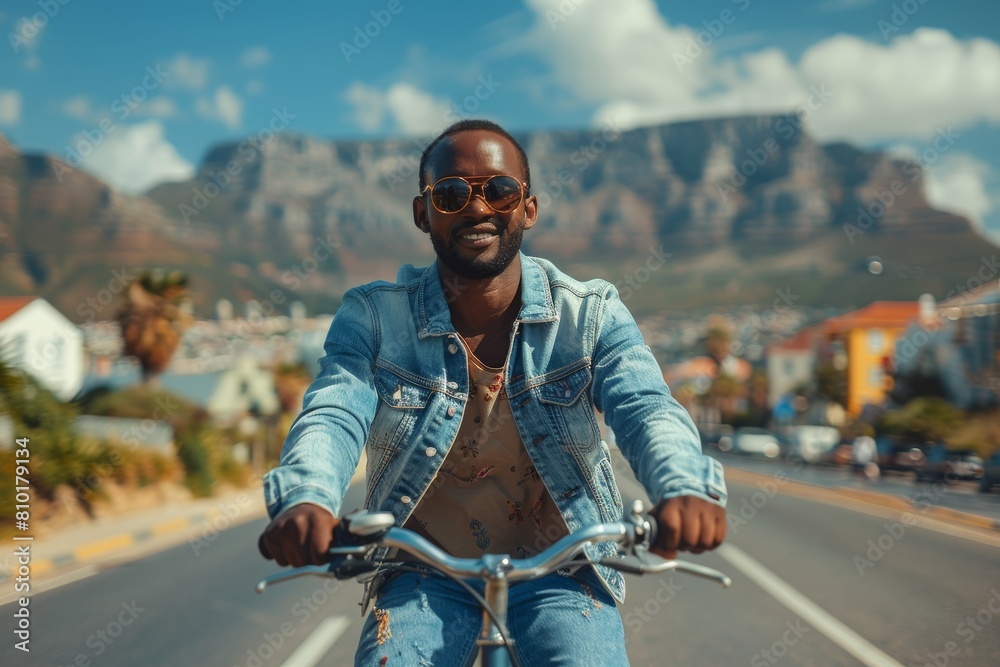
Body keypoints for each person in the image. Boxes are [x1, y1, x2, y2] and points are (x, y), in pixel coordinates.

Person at [258, 119, 728, 666]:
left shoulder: (591, 313)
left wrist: (684, 487)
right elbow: (335, 410)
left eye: (499, 191)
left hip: (563, 569)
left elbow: (644, 406)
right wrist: (308, 498)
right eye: (452, 194)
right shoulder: (374, 316)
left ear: (527, 208)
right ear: (423, 213)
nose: (478, 210)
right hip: (422, 573)